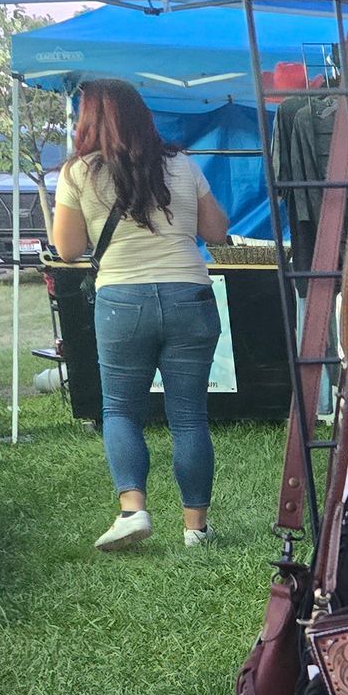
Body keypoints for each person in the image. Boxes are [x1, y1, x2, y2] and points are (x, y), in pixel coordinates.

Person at [51, 77, 232, 551]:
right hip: (189, 296)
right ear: (141, 114)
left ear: (87, 119)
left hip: (122, 302)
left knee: (121, 410)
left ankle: (133, 511)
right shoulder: (181, 164)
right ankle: (196, 529)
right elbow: (216, 231)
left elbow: (67, 249)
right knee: (189, 416)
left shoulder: (78, 173)